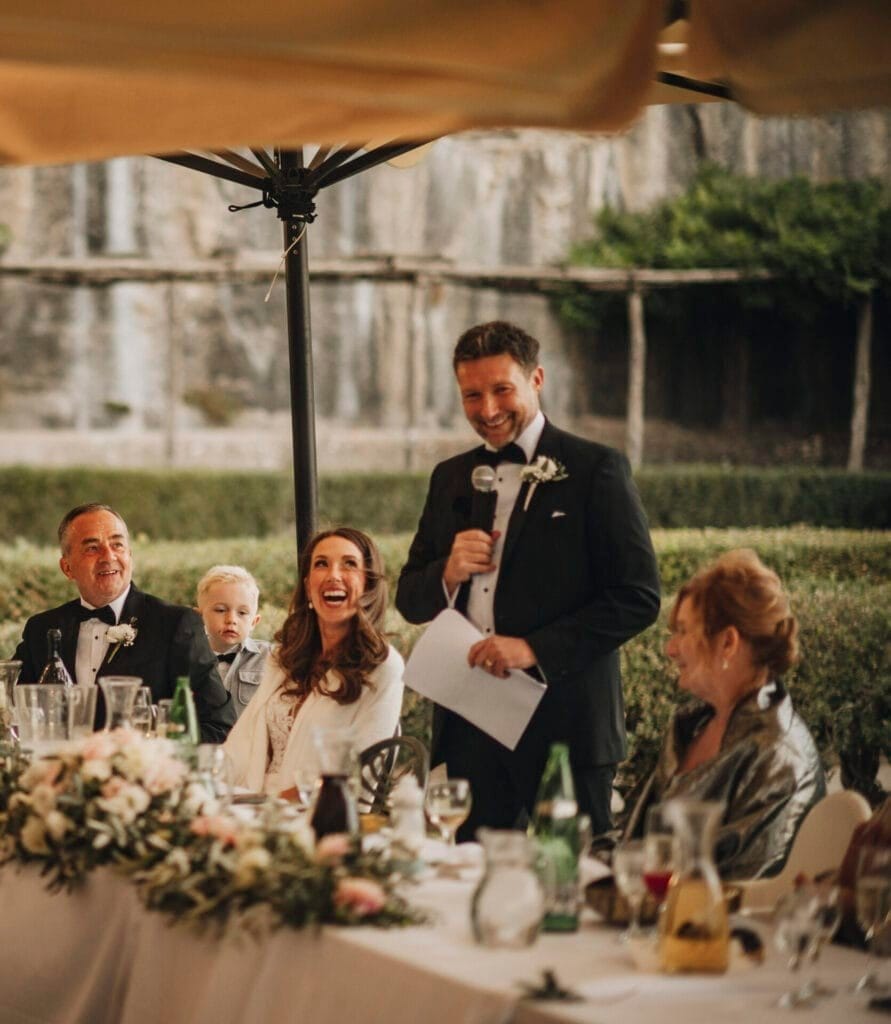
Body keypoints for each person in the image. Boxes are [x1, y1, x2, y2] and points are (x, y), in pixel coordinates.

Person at [396, 320, 660, 840]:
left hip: (566, 725)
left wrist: (534, 648)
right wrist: (446, 574)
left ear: (536, 379)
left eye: (501, 390)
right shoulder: (449, 477)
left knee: (572, 883)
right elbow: (409, 596)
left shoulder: (595, 469)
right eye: (472, 395)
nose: (487, 410)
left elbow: (638, 596)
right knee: (469, 883)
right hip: (470, 724)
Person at [623, 549, 826, 880]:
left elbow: (741, 889)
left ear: (728, 642)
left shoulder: (777, 755)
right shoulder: (692, 725)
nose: (670, 649)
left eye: (683, 631)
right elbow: (639, 846)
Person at [14, 503, 235, 742]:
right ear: (67, 567)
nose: (108, 557)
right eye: (92, 548)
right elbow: (14, 713)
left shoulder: (176, 625)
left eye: (117, 544)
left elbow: (219, 725)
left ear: (130, 555)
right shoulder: (41, 629)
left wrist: (149, 757)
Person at [224, 527, 404, 796]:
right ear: (308, 586)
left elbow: (356, 777)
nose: (333, 575)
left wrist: (269, 808)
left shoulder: (383, 665)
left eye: (349, 564)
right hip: (250, 805)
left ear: (367, 584)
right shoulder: (284, 657)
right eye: (321, 564)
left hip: (320, 817)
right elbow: (239, 745)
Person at [197, 564, 271, 718]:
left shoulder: (270, 658)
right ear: (199, 616)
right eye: (220, 610)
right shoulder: (187, 658)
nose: (231, 620)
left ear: (254, 622)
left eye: (242, 613)